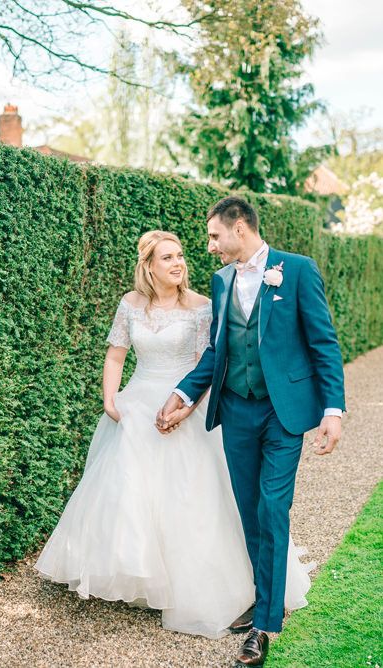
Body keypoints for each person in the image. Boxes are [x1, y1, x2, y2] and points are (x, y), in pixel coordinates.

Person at [33, 230, 313, 640]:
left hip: (185, 406)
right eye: (168, 258)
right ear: (148, 266)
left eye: (180, 255)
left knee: (198, 497)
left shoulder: (203, 305)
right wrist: (112, 401)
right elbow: (115, 355)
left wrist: (186, 409)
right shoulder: (130, 305)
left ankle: (217, 585)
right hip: (138, 405)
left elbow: (208, 364)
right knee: (131, 493)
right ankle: (141, 578)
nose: (178, 263)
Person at [157, 197, 345, 666]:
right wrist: (183, 395)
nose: (209, 247)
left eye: (214, 237)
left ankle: (264, 624)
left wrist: (333, 410)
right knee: (248, 511)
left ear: (240, 229)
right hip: (237, 412)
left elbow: (324, 343)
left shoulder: (297, 270)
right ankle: (266, 596)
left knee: (272, 509)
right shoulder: (221, 282)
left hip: (284, 414)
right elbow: (217, 351)